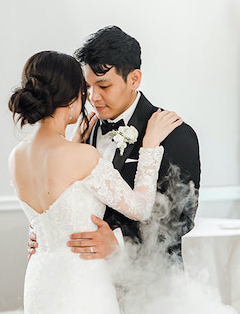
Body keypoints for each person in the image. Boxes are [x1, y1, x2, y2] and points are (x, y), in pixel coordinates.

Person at [8, 50, 182, 314]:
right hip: (82, 280)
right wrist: (149, 147)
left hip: (40, 280)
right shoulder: (83, 155)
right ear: (72, 99)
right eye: (84, 90)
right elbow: (140, 208)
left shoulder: (16, 156)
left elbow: (48, 213)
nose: (90, 97)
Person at [29, 26, 201, 264]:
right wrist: (45, 233)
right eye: (87, 87)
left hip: (152, 286)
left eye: (104, 86)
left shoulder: (175, 134)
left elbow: (181, 218)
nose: (92, 97)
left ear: (134, 79)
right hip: (91, 279)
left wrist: (117, 242)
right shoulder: (85, 133)